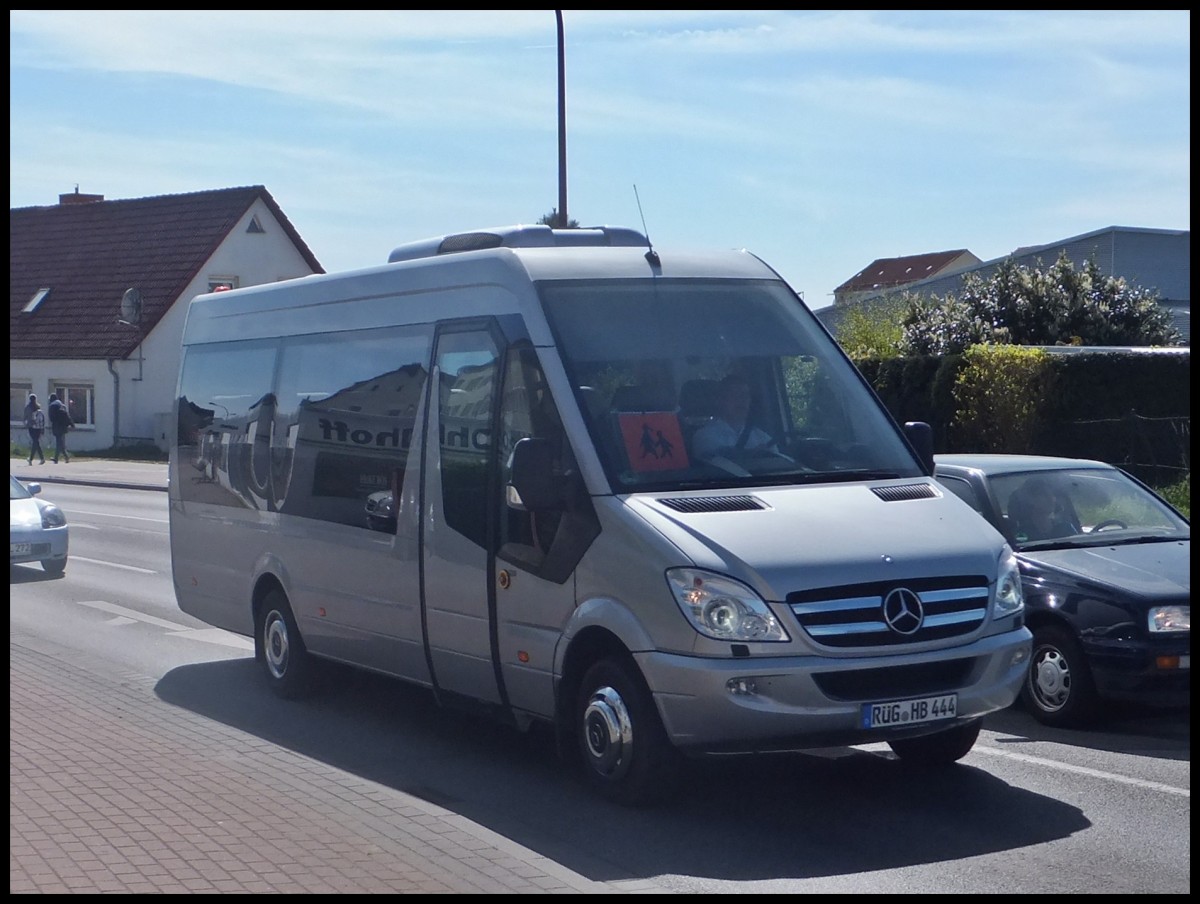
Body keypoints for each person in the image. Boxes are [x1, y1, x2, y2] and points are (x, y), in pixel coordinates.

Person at [691, 373, 780, 461]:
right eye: (734, 395)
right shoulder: (704, 436)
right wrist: (753, 454)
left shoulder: (763, 438)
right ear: (720, 400)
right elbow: (719, 462)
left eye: (745, 395)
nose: (742, 400)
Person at [1011, 477, 1076, 541]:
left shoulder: (1066, 529)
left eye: (1052, 495)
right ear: (1031, 500)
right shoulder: (1021, 534)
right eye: (1044, 495)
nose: (1051, 499)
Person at [47, 392, 74, 463]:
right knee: (60, 442)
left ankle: (57, 458)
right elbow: (67, 415)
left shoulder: (52, 405)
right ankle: (66, 457)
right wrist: (71, 424)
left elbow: (51, 418)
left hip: (57, 425)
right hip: (63, 426)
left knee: (59, 442)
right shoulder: (61, 404)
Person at [23, 393, 47, 464]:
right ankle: (40, 458)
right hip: (39, 427)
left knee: (35, 442)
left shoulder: (27, 407)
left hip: (31, 427)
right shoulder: (38, 407)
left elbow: (25, 417)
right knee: (36, 442)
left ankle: (31, 459)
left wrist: (26, 424)